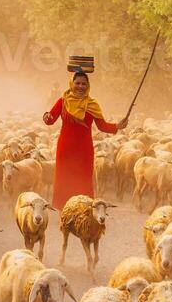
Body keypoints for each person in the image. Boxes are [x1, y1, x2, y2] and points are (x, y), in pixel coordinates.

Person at [43, 69, 128, 210]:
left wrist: (118, 126)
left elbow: (102, 126)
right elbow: (50, 120)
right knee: (64, 178)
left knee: (83, 178)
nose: (80, 86)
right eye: (77, 83)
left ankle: (83, 211)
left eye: (83, 84)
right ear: (72, 84)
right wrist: (46, 116)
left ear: (88, 85)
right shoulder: (63, 101)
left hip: (84, 148)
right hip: (66, 147)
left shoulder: (92, 104)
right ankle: (63, 211)